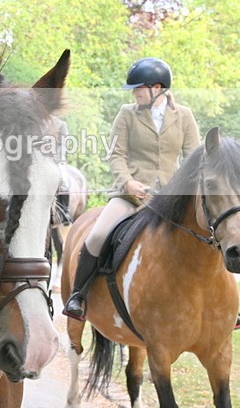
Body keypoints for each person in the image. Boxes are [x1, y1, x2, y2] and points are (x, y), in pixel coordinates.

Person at [62, 57, 200, 322]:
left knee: (209, 233)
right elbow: (116, 155)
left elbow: (193, 157)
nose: (135, 93)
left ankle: (226, 304)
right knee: (96, 235)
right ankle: (78, 295)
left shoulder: (184, 116)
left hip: (170, 200)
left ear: (157, 88)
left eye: (139, 88)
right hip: (132, 196)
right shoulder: (127, 113)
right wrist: (128, 182)